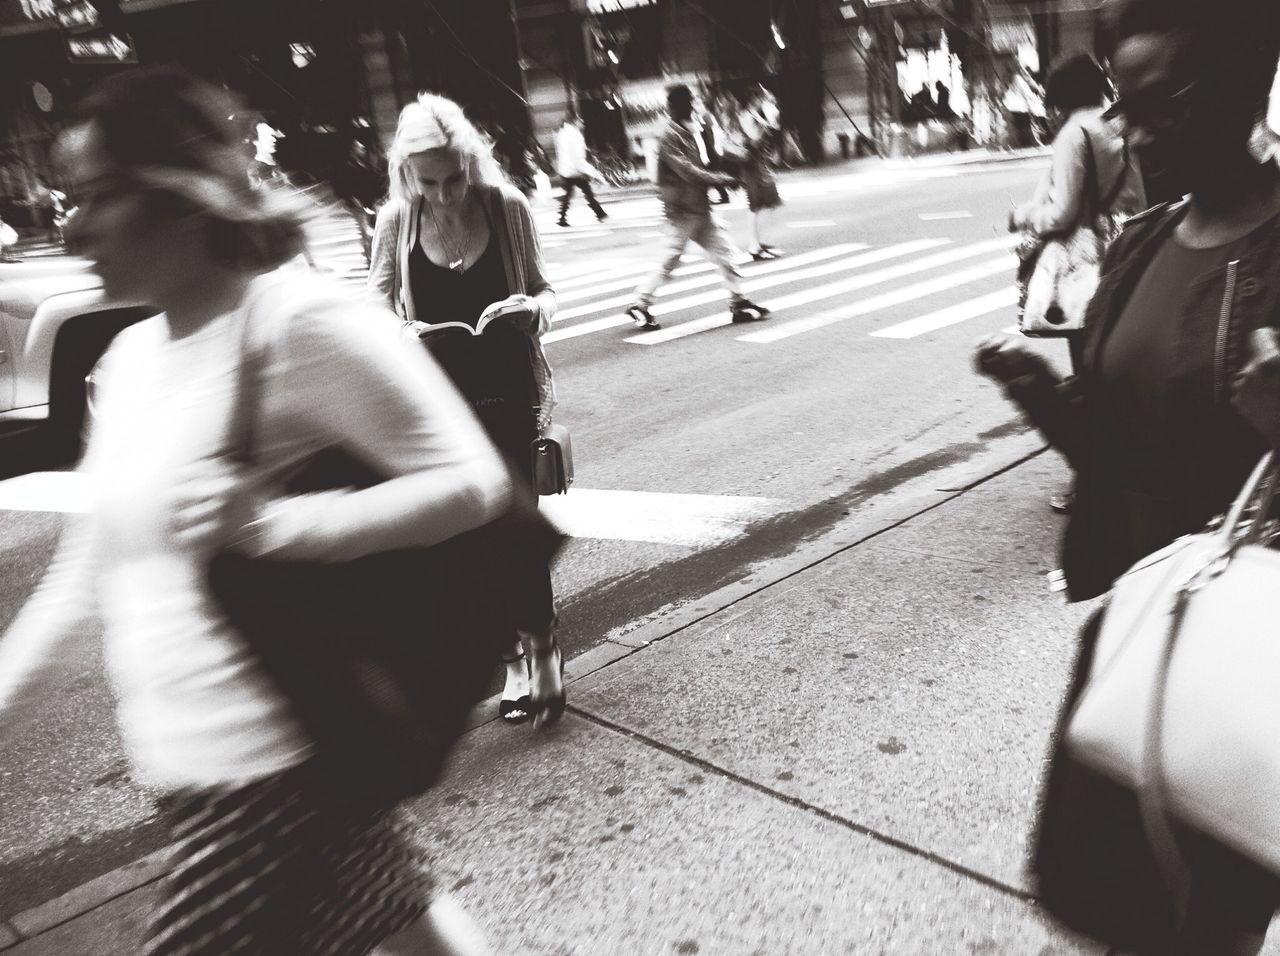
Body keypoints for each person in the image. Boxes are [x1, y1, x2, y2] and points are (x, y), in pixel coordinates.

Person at [0, 66, 506, 956]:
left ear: (180, 197)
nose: (72, 227)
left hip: (267, 762)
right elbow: (87, 570)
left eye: (97, 197)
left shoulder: (291, 324)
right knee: (407, 924)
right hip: (185, 765)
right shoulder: (126, 360)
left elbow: (471, 484)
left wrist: (274, 528)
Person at [977, 0, 1280, 950]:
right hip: (1145, 630)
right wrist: (1046, 403)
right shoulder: (1146, 241)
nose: (1135, 133)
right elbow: (1121, 459)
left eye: (1167, 103)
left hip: (1254, 650)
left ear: (1245, 87)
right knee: (1112, 903)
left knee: (1205, 918)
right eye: (1124, 104)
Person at [368, 93, 564, 728]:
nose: (446, 195)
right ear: (407, 174)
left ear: (471, 163)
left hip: (508, 392)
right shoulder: (395, 223)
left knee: (514, 529)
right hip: (436, 409)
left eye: (455, 178)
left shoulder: (505, 209)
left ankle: (543, 646)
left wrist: (531, 310)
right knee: (470, 539)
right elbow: (375, 314)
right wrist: (401, 334)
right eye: (430, 182)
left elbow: (544, 288)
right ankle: (511, 661)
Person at [1008, 52, 1148, 513]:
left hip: (1085, 262)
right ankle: (1130, 466)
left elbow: (1065, 211)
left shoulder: (1074, 133)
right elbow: (1139, 196)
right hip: (1128, 248)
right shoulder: (1117, 126)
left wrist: (1025, 215)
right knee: (1114, 367)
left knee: (1086, 374)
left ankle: (1093, 477)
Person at [625, 85, 769, 332]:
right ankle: (640, 303)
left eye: (692, 102)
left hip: (699, 209)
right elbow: (688, 172)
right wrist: (723, 180)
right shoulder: (670, 136)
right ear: (674, 107)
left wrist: (736, 160)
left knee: (724, 252)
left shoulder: (690, 130)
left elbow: (710, 158)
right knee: (670, 258)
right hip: (681, 211)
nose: (692, 106)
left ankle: (738, 302)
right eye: (688, 102)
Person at [735, 87, 786, 260]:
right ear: (754, 99)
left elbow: (769, 134)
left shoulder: (756, 115)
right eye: (763, 98)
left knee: (770, 203)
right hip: (751, 167)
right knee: (755, 206)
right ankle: (754, 246)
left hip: (760, 165)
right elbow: (754, 139)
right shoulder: (746, 116)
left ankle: (758, 242)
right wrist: (766, 124)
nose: (765, 102)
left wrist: (769, 121)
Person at [554, 114, 606, 227]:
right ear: (574, 122)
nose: (582, 123)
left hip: (566, 170)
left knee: (569, 194)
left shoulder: (562, 133)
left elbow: (561, 154)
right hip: (575, 171)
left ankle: (562, 218)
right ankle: (600, 214)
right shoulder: (575, 135)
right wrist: (594, 173)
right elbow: (578, 159)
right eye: (580, 121)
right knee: (588, 193)